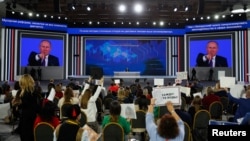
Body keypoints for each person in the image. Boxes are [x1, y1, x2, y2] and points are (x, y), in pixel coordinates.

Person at [18, 74, 42, 141]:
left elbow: (22, 107)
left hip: (25, 120)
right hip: (33, 119)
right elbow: (37, 108)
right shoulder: (35, 93)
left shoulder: (22, 94)